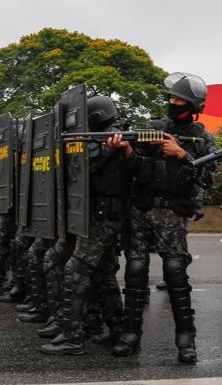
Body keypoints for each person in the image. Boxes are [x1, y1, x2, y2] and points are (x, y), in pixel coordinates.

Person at [109, 72, 218, 363]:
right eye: (171, 97)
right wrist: (128, 149)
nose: (173, 103)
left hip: (173, 213)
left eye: (179, 99)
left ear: (193, 105)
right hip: (142, 209)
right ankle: (130, 334)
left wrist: (182, 155)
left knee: (174, 272)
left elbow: (206, 180)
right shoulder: (153, 128)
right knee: (134, 271)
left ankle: (186, 340)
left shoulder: (202, 138)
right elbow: (137, 168)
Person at [40, 95, 129, 355]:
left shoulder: (114, 138)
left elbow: (88, 164)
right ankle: (115, 329)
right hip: (95, 214)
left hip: (105, 215)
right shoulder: (104, 137)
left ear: (96, 118)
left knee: (76, 268)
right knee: (102, 274)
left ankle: (73, 337)